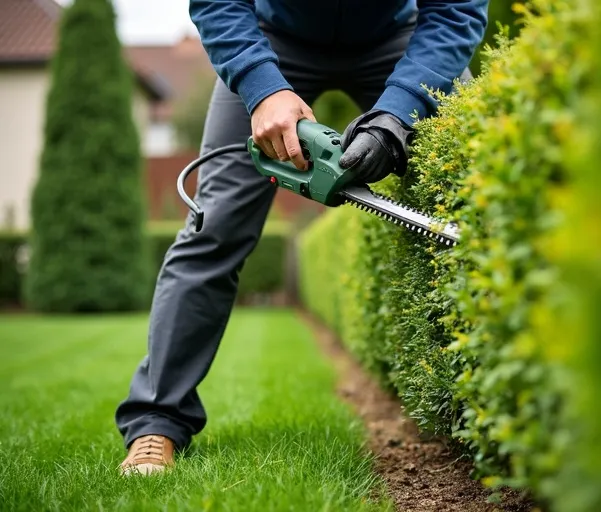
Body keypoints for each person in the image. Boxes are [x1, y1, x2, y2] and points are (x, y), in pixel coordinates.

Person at [116, 0, 489, 475]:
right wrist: (261, 86)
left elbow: (456, 11)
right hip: (273, 42)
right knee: (214, 229)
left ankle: (490, 410)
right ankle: (156, 423)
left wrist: (397, 113)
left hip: (405, 41)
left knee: (473, 185)